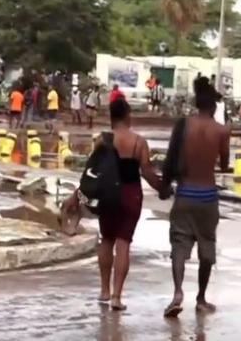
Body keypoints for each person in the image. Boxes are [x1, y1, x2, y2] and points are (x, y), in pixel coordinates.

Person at [162, 77, 229, 318]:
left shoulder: (183, 125)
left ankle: (178, 293)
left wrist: (164, 185)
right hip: (208, 197)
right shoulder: (221, 130)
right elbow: (223, 165)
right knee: (207, 247)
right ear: (213, 107)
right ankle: (201, 298)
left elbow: (170, 159)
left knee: (180, 246)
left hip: (185, 194)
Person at [98, 98, 165, 311]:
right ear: (128, 116)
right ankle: (117, 296)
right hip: (130, 194)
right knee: (123, 243)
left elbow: (94, 171)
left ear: (111, 117)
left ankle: (104, 291)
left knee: (106, 240)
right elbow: (147, 173)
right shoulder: (139, 142)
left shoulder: (103, 140)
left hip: (107, 194)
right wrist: (163, 188)